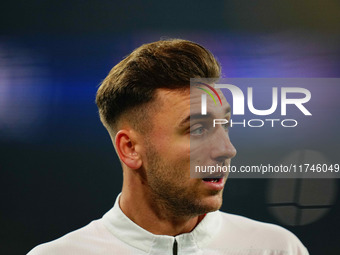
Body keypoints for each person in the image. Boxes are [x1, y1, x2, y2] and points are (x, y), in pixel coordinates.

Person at [28, 39, 309, 255]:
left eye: (224, 125)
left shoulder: (276, 248)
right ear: (130, 149)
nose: (227, 149)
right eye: (198, 129)